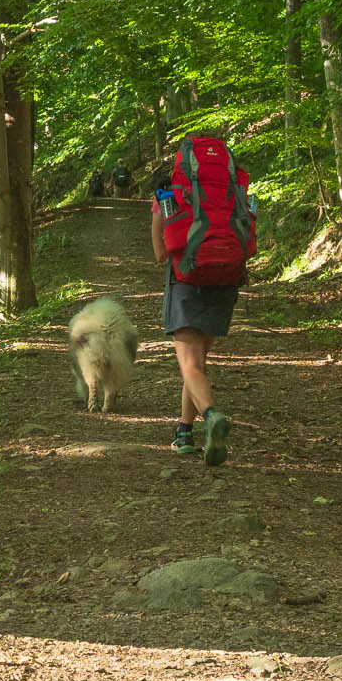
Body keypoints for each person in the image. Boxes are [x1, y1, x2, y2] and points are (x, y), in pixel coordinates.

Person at [150, 168, 235, 462]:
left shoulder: (169, 195)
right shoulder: (225, 192)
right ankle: (184, 432)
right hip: (224, 280)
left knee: (190, 366)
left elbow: (160, 253)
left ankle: (211, 416)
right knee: (197, 364)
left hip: (186, 282)